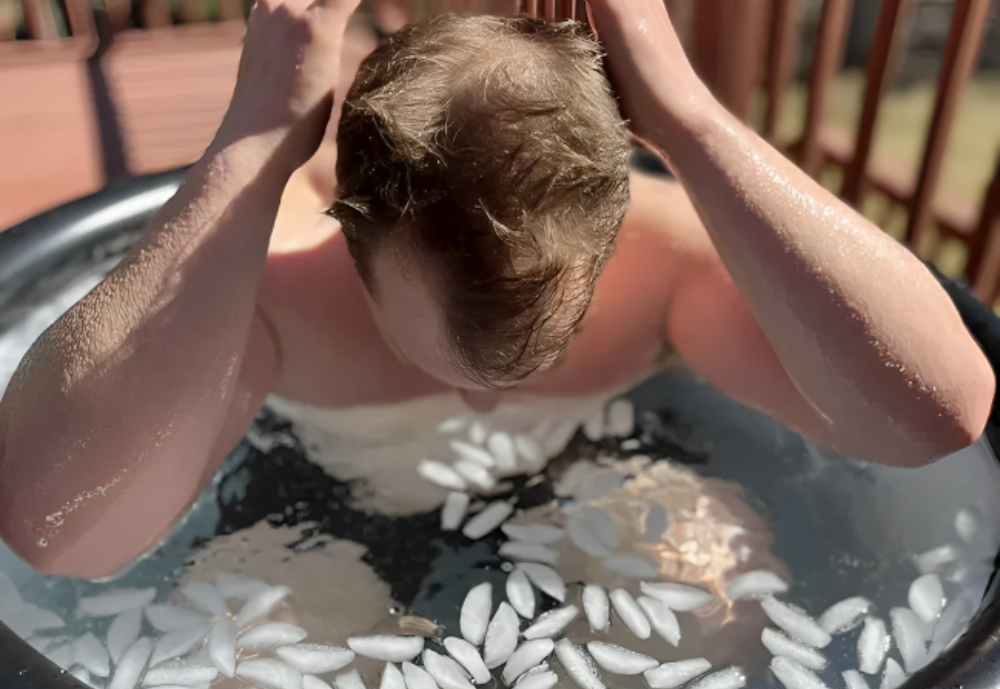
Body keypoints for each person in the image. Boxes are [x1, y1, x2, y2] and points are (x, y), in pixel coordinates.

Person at [0, 0, 993, 579]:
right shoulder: (274, 287)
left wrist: (689, 116)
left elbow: (934, 419)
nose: (481, 391)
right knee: (259, 644)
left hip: (596, 489)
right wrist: (256, 136)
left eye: (545, 343)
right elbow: (57, 527)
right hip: (319, 524)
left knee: (708, 578)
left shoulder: (663, 260)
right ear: (348, 232)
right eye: (424, 350)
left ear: (614, 229)